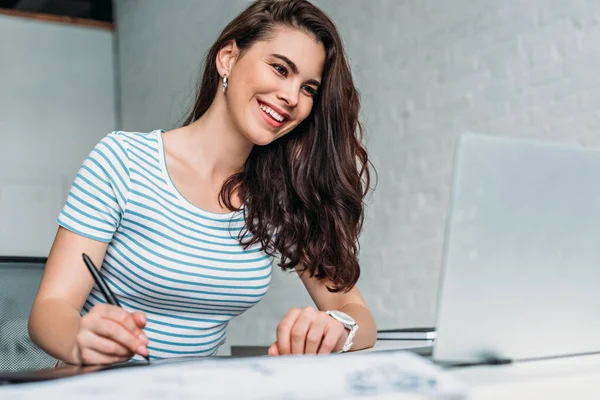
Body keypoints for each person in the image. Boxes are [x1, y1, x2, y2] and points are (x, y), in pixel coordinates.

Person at [28, 0, 376, 365]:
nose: (291, 97)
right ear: (227, 58)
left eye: (309, 89)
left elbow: (357, 313)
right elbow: (50, 310)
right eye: (279, 68)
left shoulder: (278, 196)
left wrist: (338, 327)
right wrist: (78, 339)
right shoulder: (123, 161)